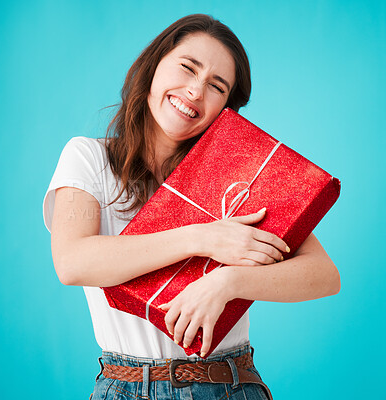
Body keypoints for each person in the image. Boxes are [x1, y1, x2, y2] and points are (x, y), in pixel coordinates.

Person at [43, 14, 340, 400]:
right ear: (153, 65)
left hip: (231, 384)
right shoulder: (89, 158)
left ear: (226, 109)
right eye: (187, 67)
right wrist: (204, 237)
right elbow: (73, 262)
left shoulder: (239, 178)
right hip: (130, 387)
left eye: (217, 86)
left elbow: (324, 275)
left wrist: (228, 282)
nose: (195, 91)